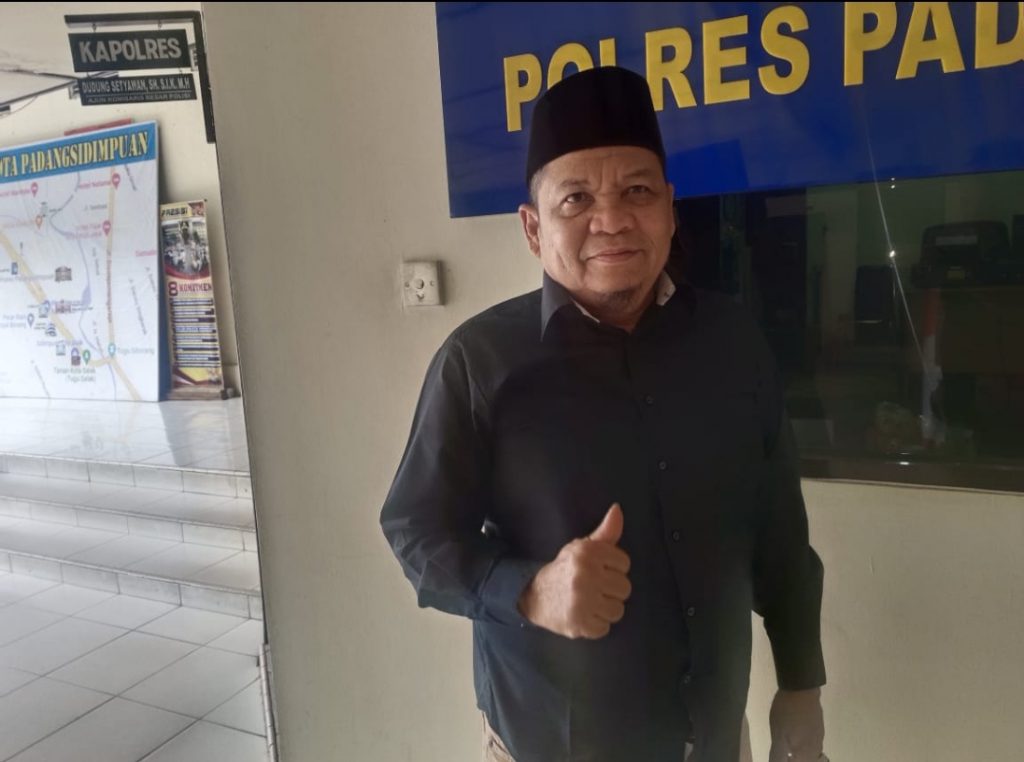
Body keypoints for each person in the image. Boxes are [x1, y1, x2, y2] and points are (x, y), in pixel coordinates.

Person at [381, 66, 825, 762]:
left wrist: (800, 687)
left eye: (637, 191)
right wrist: (531, 590)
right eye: (576, 198)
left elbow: (780, 536)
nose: (611, 219)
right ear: (533, 228)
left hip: (715, 738)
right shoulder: (480, 363)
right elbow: (416, 532)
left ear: (670, 210)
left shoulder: (734, 343)